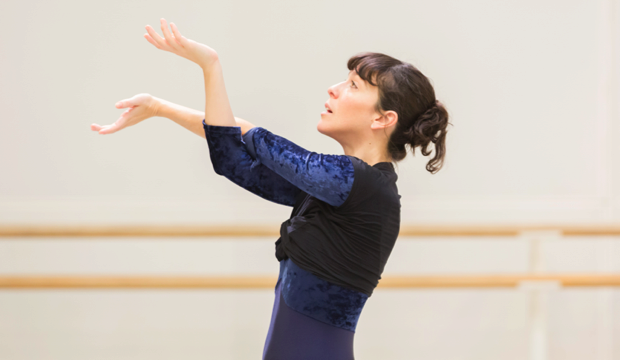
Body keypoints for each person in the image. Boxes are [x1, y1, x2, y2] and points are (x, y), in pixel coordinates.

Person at [91, 18, 450, 360]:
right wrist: (160, 107)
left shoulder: (363, 184)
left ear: (383, 119)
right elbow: (234, 159)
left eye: (353, 86)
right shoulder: (331, 188)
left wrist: (211, 65)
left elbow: (259, 142)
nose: (334, 89)